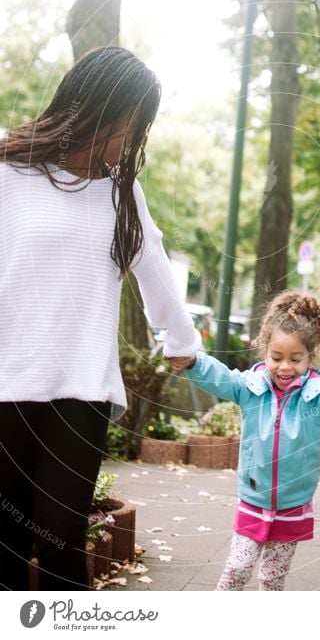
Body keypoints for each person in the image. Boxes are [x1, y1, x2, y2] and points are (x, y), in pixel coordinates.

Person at [0, 46, 201, 591]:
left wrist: (183, 340)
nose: (128, 141)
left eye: (138, 129)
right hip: (8, 382)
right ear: (90, 110)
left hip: (81, 391)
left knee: (62, 536)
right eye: (126, 125)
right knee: (5, 541)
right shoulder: (9, 170)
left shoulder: (122, 193)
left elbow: (154, 268)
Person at [169, 290, 320, 591]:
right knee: (236, 570)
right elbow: (220, 377)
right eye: (276, 357)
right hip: (253, 498)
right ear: (264, 352)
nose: (285, 367)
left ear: (311, 357)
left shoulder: (315, 397)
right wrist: (193, 363)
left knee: (272, 580)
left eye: (296, 359)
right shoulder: (249, 388)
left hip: (293, 504)